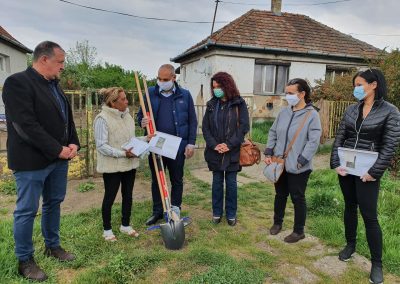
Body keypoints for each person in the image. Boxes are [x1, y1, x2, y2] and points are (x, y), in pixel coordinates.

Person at [2, 41, 80, 282]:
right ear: (43, 59)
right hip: (31, 161)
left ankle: (52, 246)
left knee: (53, 203)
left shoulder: (54, 85)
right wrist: (58, 149)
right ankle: (25, 260)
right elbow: (25, 126)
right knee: (26, 210)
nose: (62, 67)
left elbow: (66, 118)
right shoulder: (17, 83)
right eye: (60, 62)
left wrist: (74, 142)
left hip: (58, 159)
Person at [330, 68, 400, 284]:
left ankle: (377, 263)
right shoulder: (351, 110)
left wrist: (374, 172)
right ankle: (350, 245)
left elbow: (390, 146)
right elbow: (340, 136)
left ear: (373, 85)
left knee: (370, 216)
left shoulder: (390, 111)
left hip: (368, 172)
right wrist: (335, 163)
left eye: (359, 85)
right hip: (347, 169)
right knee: (349, 208)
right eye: (355, 85)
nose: (356, 89)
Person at [137, 64, 197, 225]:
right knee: (157, 179)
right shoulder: (150, 93)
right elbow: (140, 115)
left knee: (177, 179)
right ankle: (157, 211)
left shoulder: (185, 95)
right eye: (159, 78)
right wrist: (142, 122)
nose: (161, 82)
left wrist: (191, 143)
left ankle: (175, 210)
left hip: (177, 146)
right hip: (156, 144)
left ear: (173, 78)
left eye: (165, 79)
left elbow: (192, 120)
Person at [264, 78, 321, 243]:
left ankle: (298, 231)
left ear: (302, 94)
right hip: (279, 162)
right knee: (280, 194)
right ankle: (277, 223)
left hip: (299, 166)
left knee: (298, 197)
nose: (287, 96)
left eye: (290, 93)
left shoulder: (312, 115)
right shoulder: (284, 112)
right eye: (286, 93)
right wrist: (269, 152)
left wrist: (302, 160)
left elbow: (313, 141)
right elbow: (273, 132)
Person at [202, 72, 249, 226]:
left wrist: (229, 145)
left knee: (231, 184)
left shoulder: (239, 103)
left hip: (232, 152)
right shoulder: (211, 104)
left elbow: (243, 127)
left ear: (227, 85)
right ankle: (216, 213)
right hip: (214, 151)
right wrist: (214, 144)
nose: (216, 89)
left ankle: (231, 214)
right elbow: (206, 128)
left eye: (219, 86)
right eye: (214, 87)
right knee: (216, 183)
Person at [94, 87, 141, 242]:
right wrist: (123, 153)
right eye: (123, 99)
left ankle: (125, 225)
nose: (127, 101)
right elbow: (101, 146)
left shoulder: (127, 116)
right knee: (110, 197)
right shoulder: (102, 119)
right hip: (112, 166)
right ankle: (107, 230)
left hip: (129, 164)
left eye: (126, 98)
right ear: (113, 103)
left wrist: (147, 139)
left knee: (128, 195)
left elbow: (131, 140)